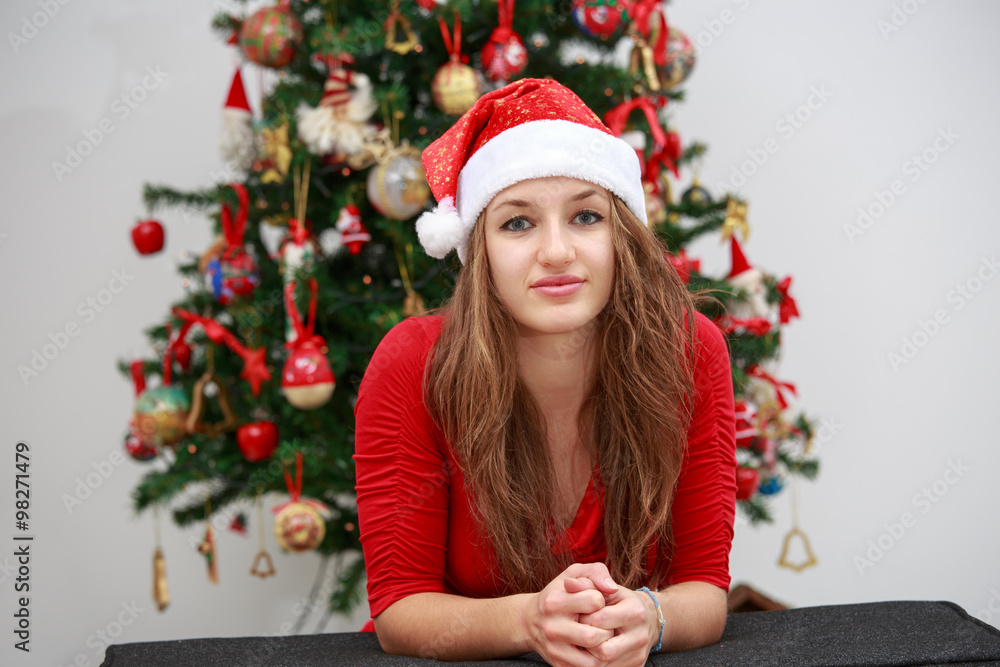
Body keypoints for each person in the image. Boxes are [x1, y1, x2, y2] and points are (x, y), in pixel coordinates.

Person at [353, 78, 736, 666]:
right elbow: (401, 610)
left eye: (586, 216)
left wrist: (652, 618)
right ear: (478, 248)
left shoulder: (689, 352)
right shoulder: (412, 364)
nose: (557, 252)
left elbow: (704, 590)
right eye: (517, 223)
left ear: (622, 237)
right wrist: (530, 621)